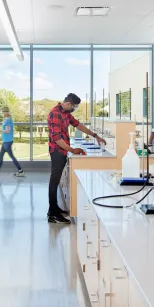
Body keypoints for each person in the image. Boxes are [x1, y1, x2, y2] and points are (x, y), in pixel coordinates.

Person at [47, 93, 106, 224]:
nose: (74, 109)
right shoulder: (55, 113)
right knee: (54, 181)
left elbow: (78, 125)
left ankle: (54, 208)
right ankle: (52, 214)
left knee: (55, 181)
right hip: (57, 151)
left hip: (63, 151)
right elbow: (56, 138)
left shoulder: (66, 113)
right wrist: (73, 150)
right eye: (74, 106)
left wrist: (95, 135)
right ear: (67, 103)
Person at [0, 106, 24, 177]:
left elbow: (7, 131)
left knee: (12, 157)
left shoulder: (7, 120)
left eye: (2, 112)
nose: (1, 114)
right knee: (1, 156)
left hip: (7, 142)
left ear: (5, 112)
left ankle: (20, 171)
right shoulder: (8, 119)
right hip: (6, 141)